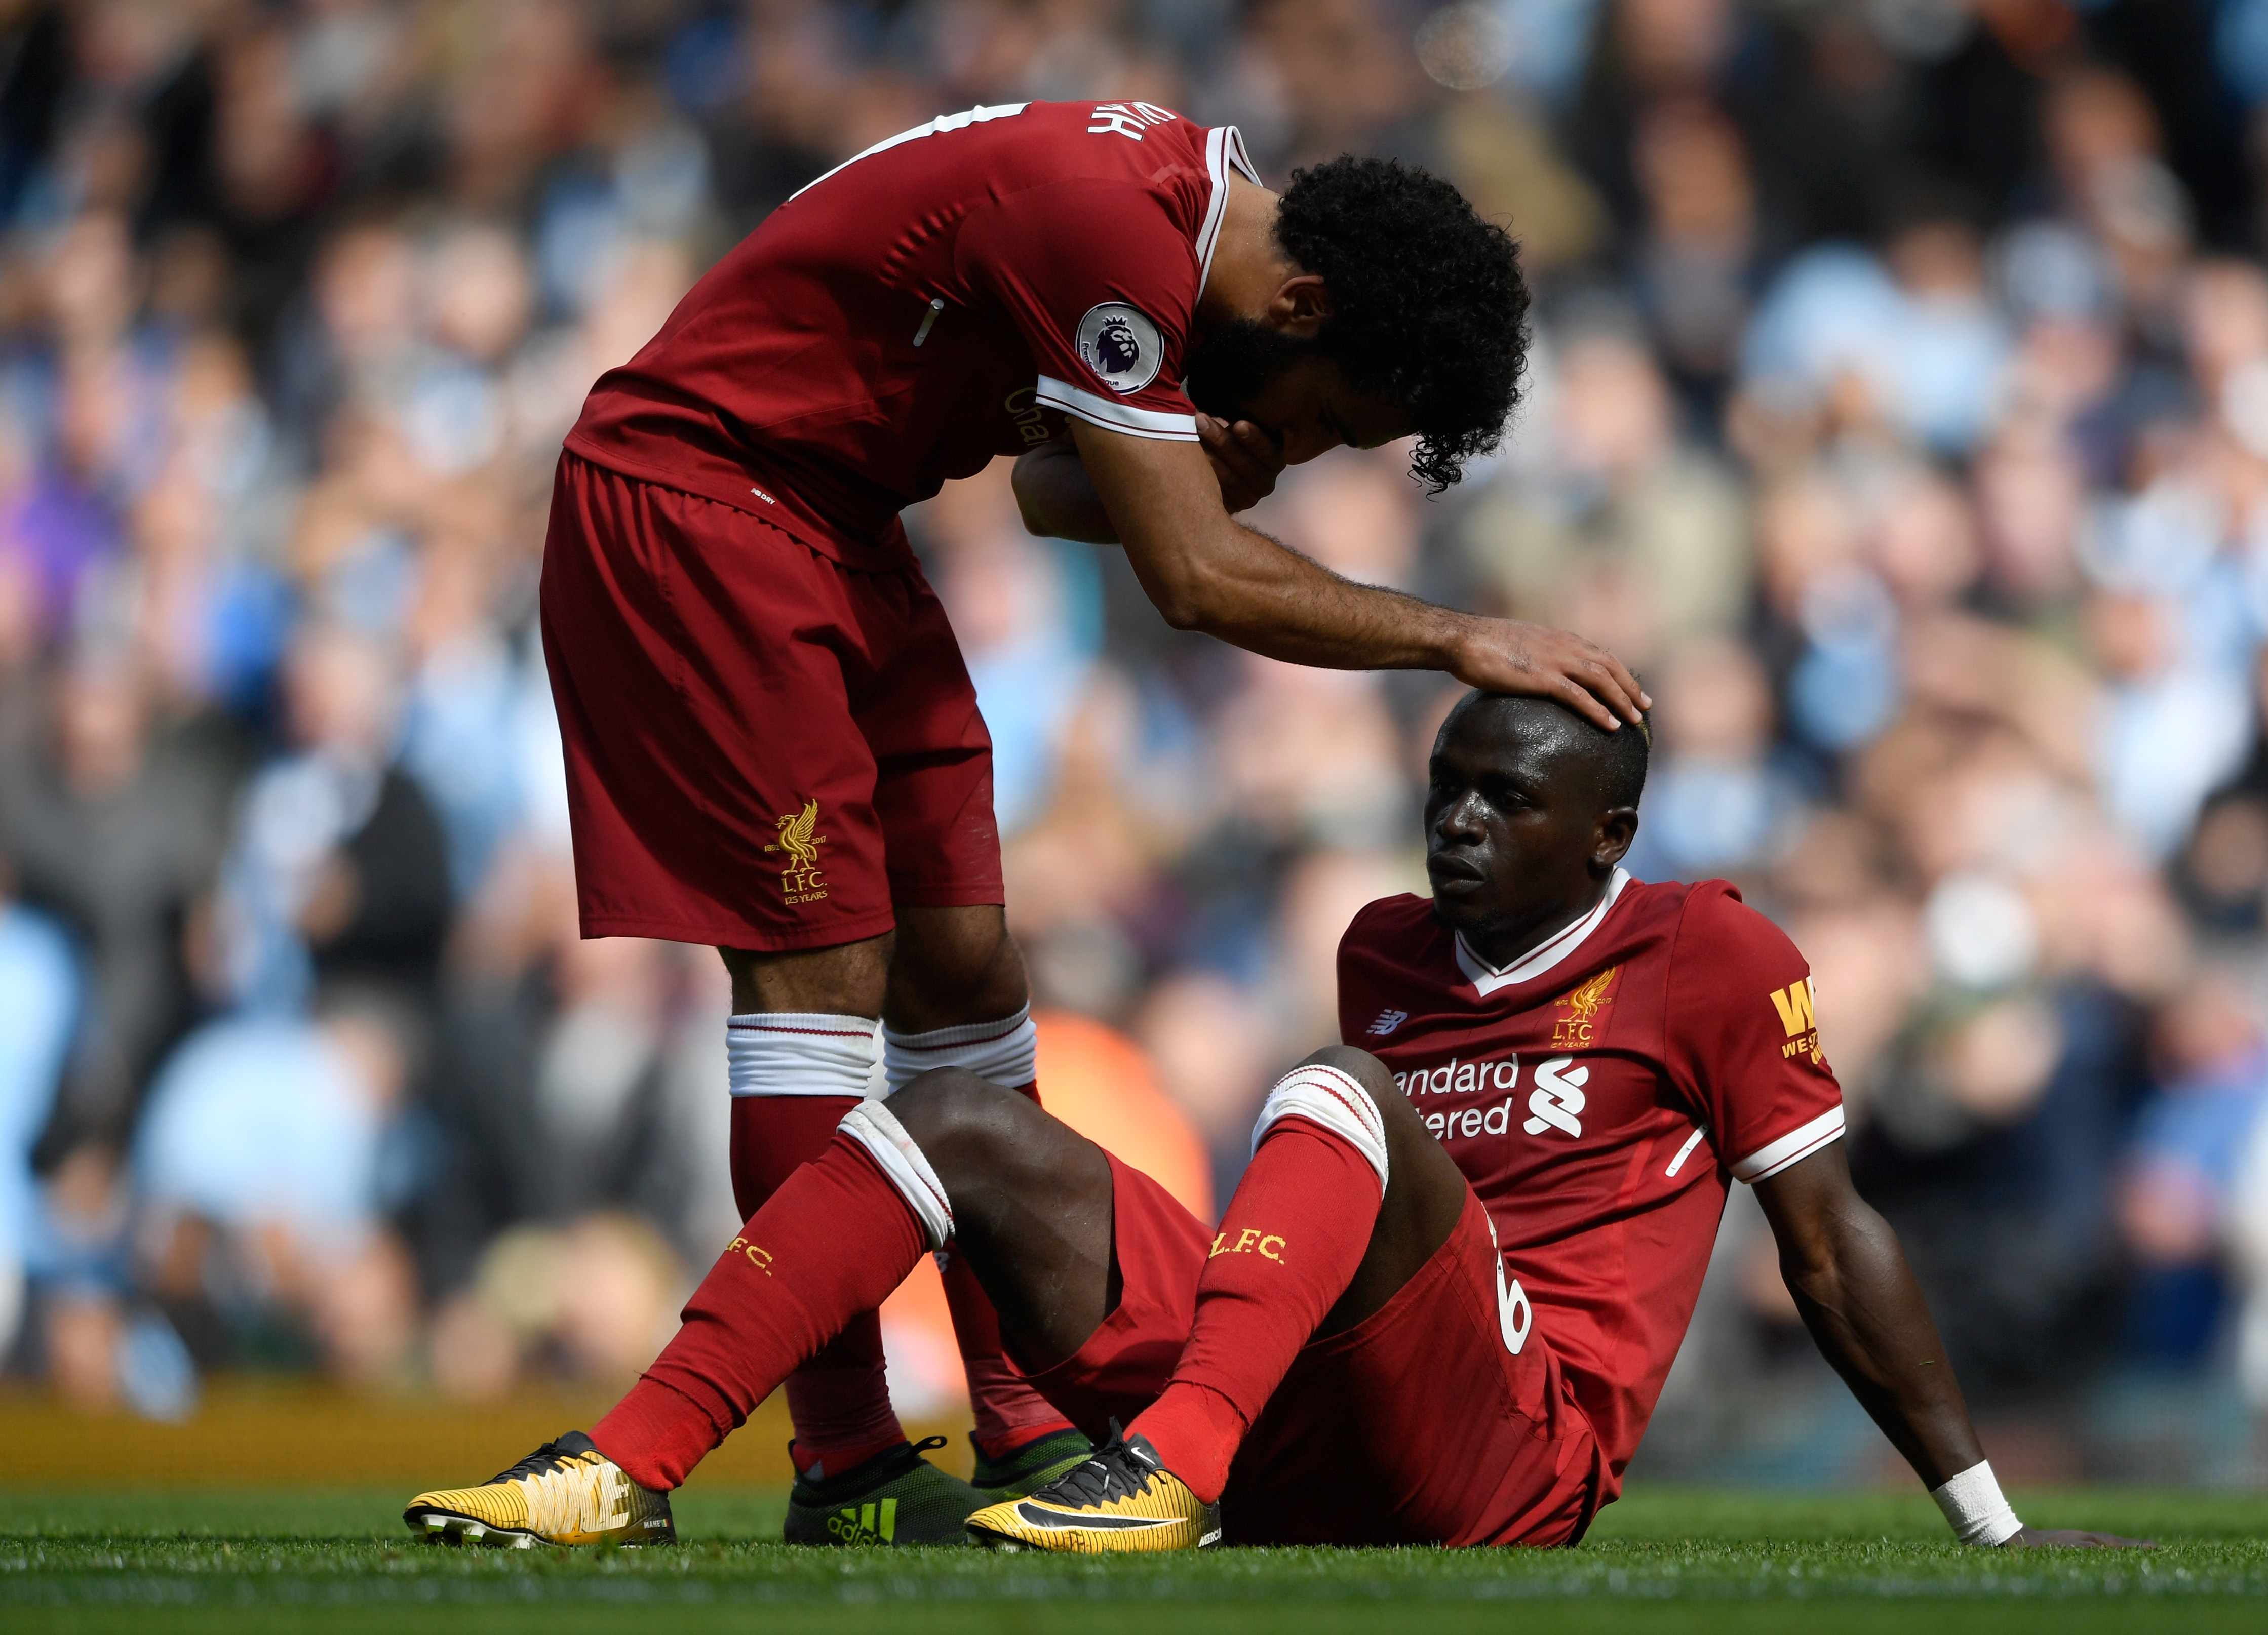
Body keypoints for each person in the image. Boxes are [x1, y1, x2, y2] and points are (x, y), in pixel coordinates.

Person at [537, 95, 1647, 1541]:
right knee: (819, 981)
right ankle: (847, 1455)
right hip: (703, 501)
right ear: (1303, 301)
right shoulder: (1113, 220)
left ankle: (1021, 1424)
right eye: (1322, 418)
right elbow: (1193, 580)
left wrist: (1189, 466)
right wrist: (1453, 637)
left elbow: (1053, 491)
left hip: (843, 524)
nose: (1299, 449)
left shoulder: (1196, 226)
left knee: (968, 974)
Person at [402, 692, 2139, 1553]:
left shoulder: (1710, 951)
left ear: (1603, 836)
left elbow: (1830, 1241)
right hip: (1319, 1415)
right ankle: (624, 1463)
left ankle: (1162, 1473)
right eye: (1445, 787)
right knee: (955, 1113)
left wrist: (1985, 1517)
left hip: (1518, 1450)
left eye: (1506, 801)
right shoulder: (1383, 947)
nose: (1457, 826)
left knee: (1336, 1094)